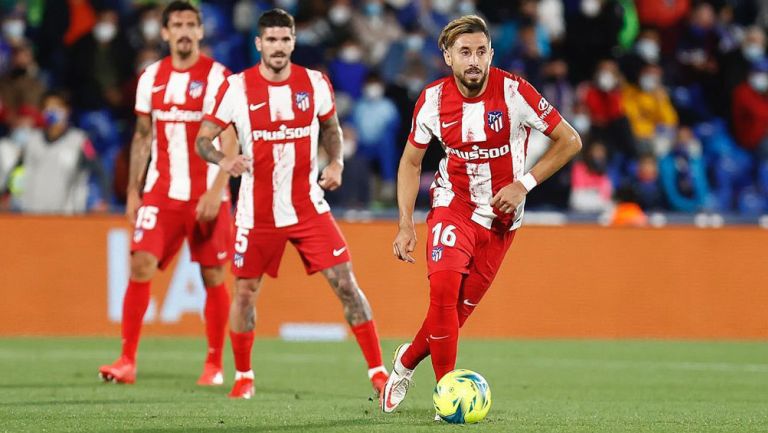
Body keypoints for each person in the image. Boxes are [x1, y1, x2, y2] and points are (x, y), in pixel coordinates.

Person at [381, 15, 581, 417]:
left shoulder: (514, 92)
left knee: (453, 315)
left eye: (481, 51)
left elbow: (570, 140)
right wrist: (405, 223)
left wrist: (523, 184)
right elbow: (410, 162)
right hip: (453, 206)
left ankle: (405, 361)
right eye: (465, 52)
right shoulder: (433, 101)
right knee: (441, 293)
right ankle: (446, 397)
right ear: (448, 56)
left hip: (503, 221)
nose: (474, 60)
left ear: (491, 53)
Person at [194, 8, 388, 400]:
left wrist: (336, 161)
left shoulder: (314, 83)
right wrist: (224, 159)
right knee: (245, 293)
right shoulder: (236, 88)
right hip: (257, 213)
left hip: (308, 207)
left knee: (347, 285)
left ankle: (380, 374)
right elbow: (203, 139)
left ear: (293, 42)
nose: (279, 47)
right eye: (272, 40)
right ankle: (244, 376)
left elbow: (331, 127)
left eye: (285, 39)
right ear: (259, 44)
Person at [98, 1, 237, 387]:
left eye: (192, 24)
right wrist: (132, 191)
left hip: (207, 194)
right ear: (164, 33)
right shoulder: (150, 78)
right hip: (162, 192)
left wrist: (217, 189)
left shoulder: (218, 78)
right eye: (177, 25)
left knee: (213, 275)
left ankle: (213, 364)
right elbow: (143, 135)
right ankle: (126, 360)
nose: (185, 31)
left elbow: (230, 136)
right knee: (140, 264)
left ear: (201, 31)